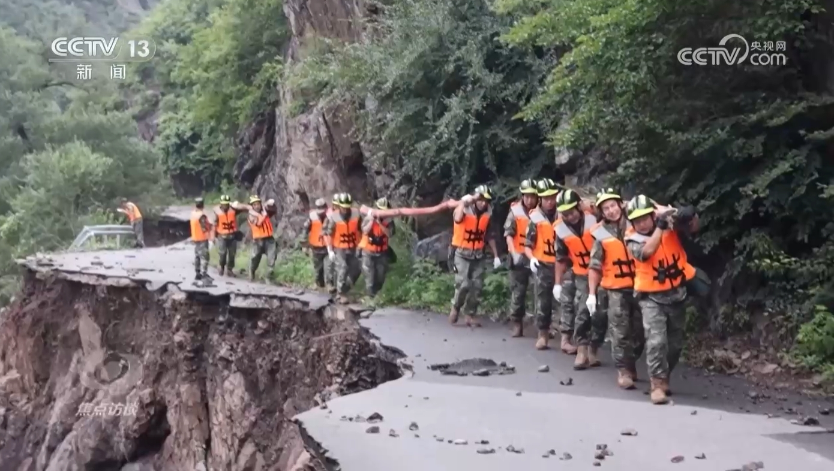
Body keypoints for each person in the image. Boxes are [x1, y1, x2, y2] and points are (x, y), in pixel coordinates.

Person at [624, 194, 699, 404]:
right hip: (651, 298)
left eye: (644, 218)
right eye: (637, 220)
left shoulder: (669, 225)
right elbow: (647, 252)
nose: (641, 223)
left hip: (676, 294)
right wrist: (660, 225)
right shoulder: (632, 239)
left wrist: (687, 215)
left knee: (675, 345)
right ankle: (656, 385)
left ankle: (664, 377)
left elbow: (694, 228)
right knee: (656, 342)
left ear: (652, 215)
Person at [588, 188, 642, 389]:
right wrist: (591, 294)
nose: (611, 211)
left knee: (640, 330)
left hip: (640, 285)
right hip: (616, 288)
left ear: (620, 204)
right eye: (606, 208)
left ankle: (631, 362)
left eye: (613, 205)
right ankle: (623, 370)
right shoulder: (600, 233)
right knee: (619, 331)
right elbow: (594, 265)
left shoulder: (636, 222)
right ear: (602, 212)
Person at [554, 189, 603, 370]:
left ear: (579, 207)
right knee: (582, 310)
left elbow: (614, 209)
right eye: (565, 214)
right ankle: (581, 349)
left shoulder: (595, 219)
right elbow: (560, 258)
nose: (570, 216)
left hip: (604, 273)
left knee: (600, 314)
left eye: (572, 212)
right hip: (581, 274)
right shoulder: (560, 229)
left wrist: (591, 205)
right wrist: (557, 283)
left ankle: (593, 349)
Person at [449, 185, 501, 327]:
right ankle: (456, 307)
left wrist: (496, 256)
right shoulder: (463, 209)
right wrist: (463, 202)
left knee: (477, 286)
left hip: (478, 254)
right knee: (463, 284)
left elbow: (489, 235)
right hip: (461, 253)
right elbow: (457, 219)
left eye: (486, 201)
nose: (483, 203)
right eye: (480, 199)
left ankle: (469, 314)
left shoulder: (488, 213)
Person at [523, 179, 560, 349]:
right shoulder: (535, 218)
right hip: (543, 265)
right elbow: (527, 245)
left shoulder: (564, 213)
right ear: (540, 199)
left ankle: (566, 338)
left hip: (562, 265)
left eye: (552, 197)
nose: (550, 201)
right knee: (543, 301)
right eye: (546, 198)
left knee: (567, 302)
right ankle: (542, 334)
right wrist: (532, 258)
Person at [504, 178, 538, 337]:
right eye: (527, 196)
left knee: (541, 292)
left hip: (537, 256)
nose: (530, 200)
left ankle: (543, 325)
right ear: (522, 196)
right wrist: (513, 253)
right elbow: (508, 234)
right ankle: (517, 322)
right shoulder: (515, 211)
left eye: (533, 196)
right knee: (518, 292)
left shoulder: (541, 212)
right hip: (519, 256)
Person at [323, 193, 362, 303]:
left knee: (357, 267)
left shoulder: (356, 214)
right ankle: (340, 294)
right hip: (339, 248)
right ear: (339, 206)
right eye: (343, 207)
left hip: (353, 246)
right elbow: (329, 234)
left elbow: (361, 230)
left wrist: (362, 245)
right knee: (343, 267)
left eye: (347, 207)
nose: (345, 210)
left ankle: (346, 286)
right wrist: (330, 250)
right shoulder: (334, 217)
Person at [358, 197, 396, 298]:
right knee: (369, 276)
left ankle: (376, 294)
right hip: (368, 252)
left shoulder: (389, 221)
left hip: (382, 253)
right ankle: (370, 297)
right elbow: (364, 231)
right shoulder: (368, 218)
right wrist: (372, 220)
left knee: (380, 276)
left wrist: (380, 223)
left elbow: (390, 234)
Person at [302, 198, 330, 289]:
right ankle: (319, 284)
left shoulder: (331, 216)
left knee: (328, 267)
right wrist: (304, 245)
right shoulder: (312, 217)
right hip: (316, 246)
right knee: (318, 268)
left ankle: (329, 285)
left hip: (328, 247)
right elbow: (305, 230)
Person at [214, 195, 243, 277]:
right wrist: (213, 236)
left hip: (232, 236)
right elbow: (214, 224)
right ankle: (221, 267)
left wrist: (236, 204)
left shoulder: (233, 210)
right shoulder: (217, 212)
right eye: (223, 204)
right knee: (222, 253)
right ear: (220, 204)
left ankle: (230, 270)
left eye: (226, 204)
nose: (225, 205)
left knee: (232, 254)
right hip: (222, 236)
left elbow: (243, 208)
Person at [247, 195, 275, 280]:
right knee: (255, 258)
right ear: (252, 206)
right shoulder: (251, 215)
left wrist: (270, 204)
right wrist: (264, 215)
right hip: (258, 240)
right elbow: (258, 223)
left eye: (258, 204)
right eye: (254, 205)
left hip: (269, 239)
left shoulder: (264, 211)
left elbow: (273, 210)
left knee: (272, 257)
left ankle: (269, 276)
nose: (257, 206)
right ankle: (251, 272)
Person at [190, 197, 214, 281]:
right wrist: (211, 225)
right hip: (202, 238)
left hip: (195, 238)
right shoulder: (202, 215)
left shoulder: (193, 214)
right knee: (205, 257)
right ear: (203, 205)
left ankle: (197, 273)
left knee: (197, 256)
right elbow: (205, 227)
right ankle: (204, 273)